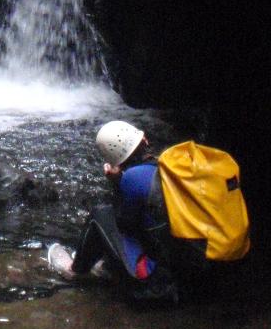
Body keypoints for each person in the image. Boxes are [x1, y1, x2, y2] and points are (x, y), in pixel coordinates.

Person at [48, 120, 181, 306]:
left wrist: (118, 184)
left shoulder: (133, 178)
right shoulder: (174, 166)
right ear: (145, 139)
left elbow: (124, 226)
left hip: (160, 281)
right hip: (198, 265)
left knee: (100, 215)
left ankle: (75, 270)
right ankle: (108, 265)